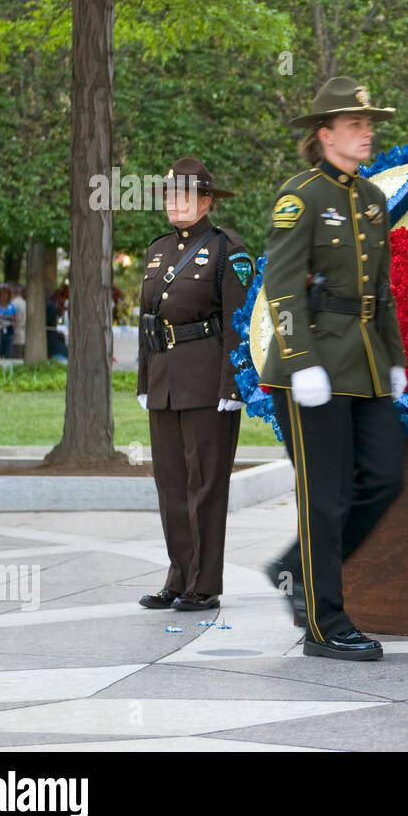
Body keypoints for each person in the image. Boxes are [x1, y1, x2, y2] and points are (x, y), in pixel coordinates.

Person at [259, 76, 408, 662]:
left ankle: (294, 569)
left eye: (369, 122)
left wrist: (394, 358)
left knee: (383, 478)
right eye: (355, 124)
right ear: (325, 135)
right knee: (325, 499)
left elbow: (383, 291)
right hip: (312, 367)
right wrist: (300, 362)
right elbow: (281, 287)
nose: (367, 131)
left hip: (364, 364)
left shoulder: (372, 199)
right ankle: (325, 625)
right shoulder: (301, 197)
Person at [136, 158, 253, 612]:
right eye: (169, 194)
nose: (174, 202)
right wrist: (146, 378)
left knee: (205, 482)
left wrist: (232, 388)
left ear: (206, 201)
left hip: (207, 383)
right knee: (170, 483)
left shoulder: (228, 249)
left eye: (183, 194)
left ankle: (203, 585)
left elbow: (236, 326)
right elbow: (148, 320)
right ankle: (177, 576)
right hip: (164, 381)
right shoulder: (158, 249)